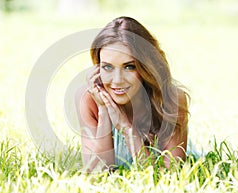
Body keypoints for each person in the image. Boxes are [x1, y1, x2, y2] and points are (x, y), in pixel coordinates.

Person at [75, 16, 189, 172]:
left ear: (146, 67)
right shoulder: (88, 99)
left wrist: (126, 128)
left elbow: (166, 179)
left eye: (129, 67)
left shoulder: (172, 99)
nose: (117, 80)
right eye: (107, 67)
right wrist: (104, 110)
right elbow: (98, 175)